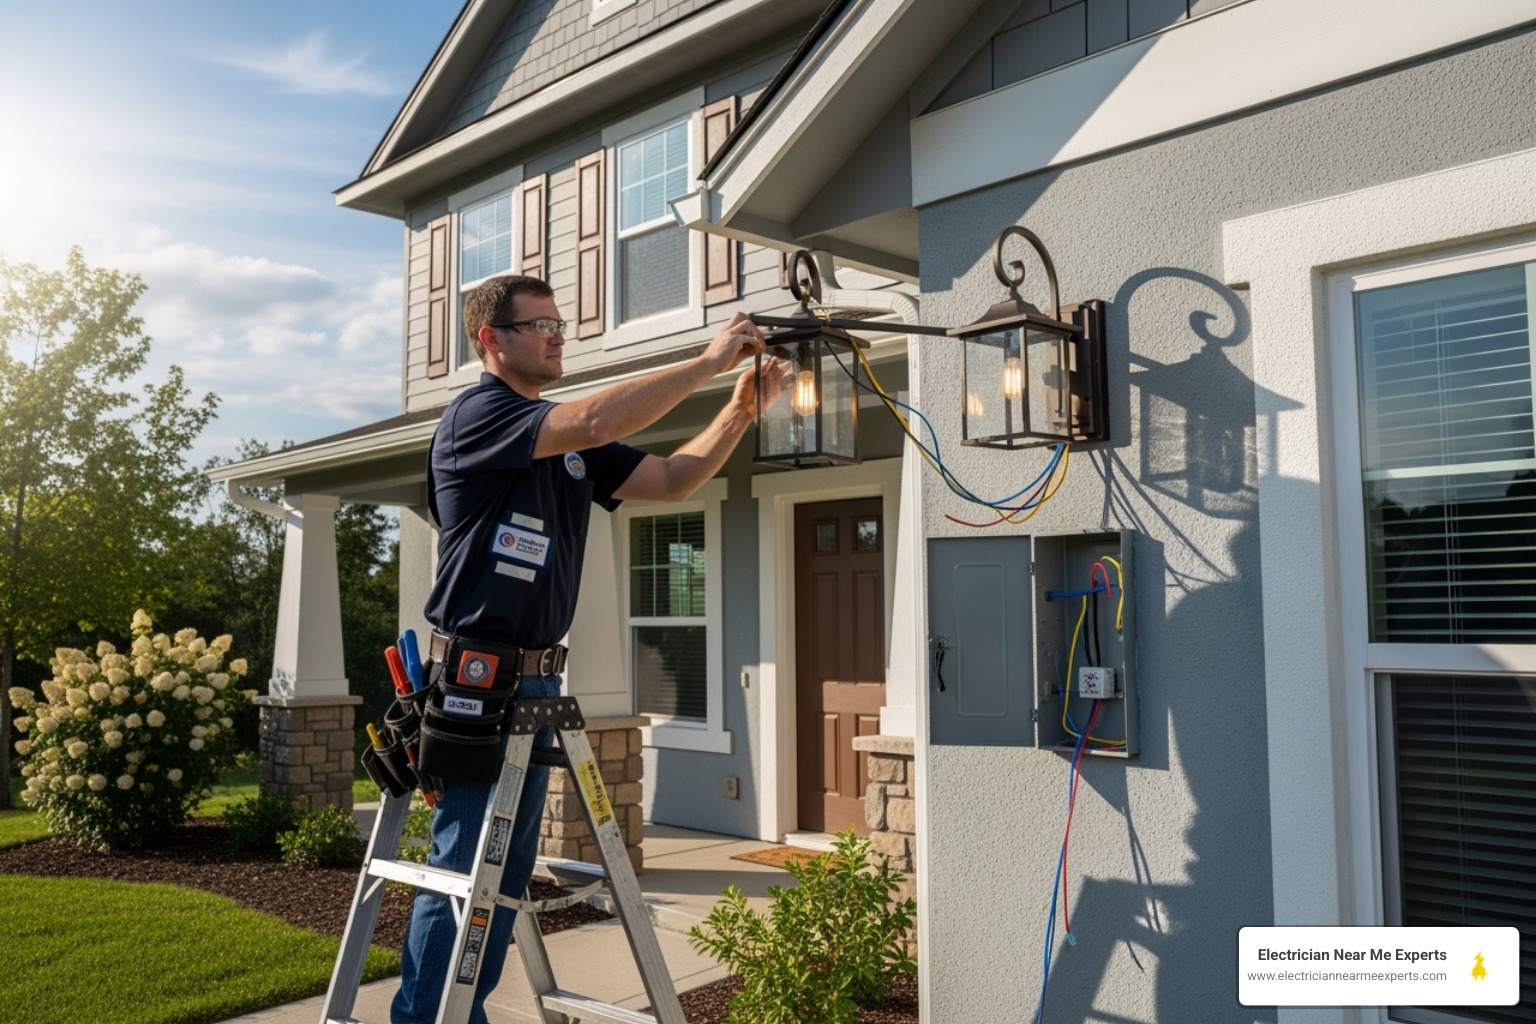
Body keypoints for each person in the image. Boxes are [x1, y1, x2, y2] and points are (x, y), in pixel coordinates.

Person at [391, 273, 769, 1024]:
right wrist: (707, 361)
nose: (559, 337)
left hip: (536, 687)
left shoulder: (569, 447)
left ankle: (461, 1013)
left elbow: (673, 479)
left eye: (562, 324)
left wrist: (740, 408)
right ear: (491, 340)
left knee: (505, 877)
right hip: (474, 682)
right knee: (463, 867)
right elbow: (593, 418)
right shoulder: (479, 415)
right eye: (542, 326)